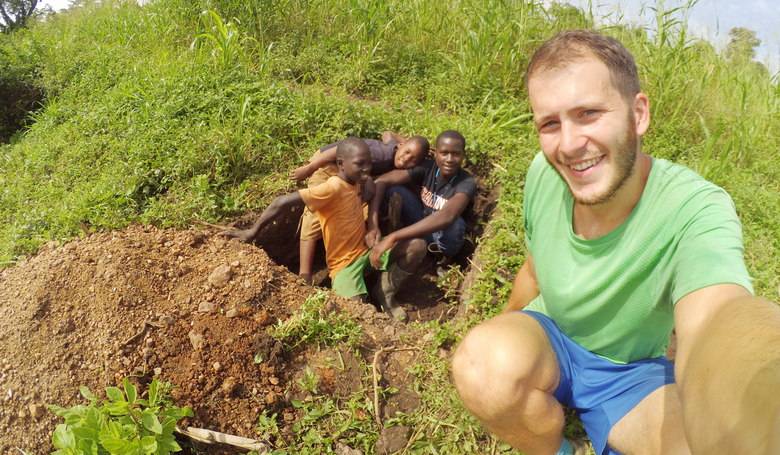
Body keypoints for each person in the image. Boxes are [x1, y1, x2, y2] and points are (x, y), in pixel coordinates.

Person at [452, 30, 780, 455]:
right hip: (550, 333)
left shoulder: (695, 208)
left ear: (638, 113)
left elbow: (718, 318)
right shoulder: (543, 174)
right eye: (550, 123)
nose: (569, 145)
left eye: (588, 113)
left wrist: (761, 392)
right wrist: (503, 330)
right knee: (481, 364)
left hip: (631, 373)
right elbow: (534, 268)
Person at [224, 138, 387, 300]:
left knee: (411, 247)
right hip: (344, 265)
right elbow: (281, 202)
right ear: (341, 164)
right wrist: (252, 232)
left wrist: (372, 222)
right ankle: (305, 275)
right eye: (360, 164)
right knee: (356, 308)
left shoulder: (358, 180)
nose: (366, 170)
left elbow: (373, 184)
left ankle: (385, 292)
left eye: (369, 164)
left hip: (365, 252)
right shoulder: (333, 188)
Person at [290, 132, 430, 283]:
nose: (406, 159)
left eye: (413, 159)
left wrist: (405, 142)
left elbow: (388, 134)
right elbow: (335, 151)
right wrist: (309, 168)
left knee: (358, 207)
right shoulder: (380, 154)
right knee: (315, 213)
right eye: (407, 152)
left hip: (356, 171)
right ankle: (305, 273)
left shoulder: (393, 148)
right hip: (327, 164)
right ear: (400, 146)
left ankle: (356, 260)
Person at [366, 130, 477, 321]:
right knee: (394, 188)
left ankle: (440, 259)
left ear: (463, 156)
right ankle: (383, 286)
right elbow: (382, 181)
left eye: (456, 154)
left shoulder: (466, 182)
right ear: (436, 154)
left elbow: (447, 216)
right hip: (421, 221)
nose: (450, 159)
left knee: (455, 224)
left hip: (442, 236)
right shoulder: (427, 168)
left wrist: (394, 237)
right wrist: (372, 224)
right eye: (444, 153)